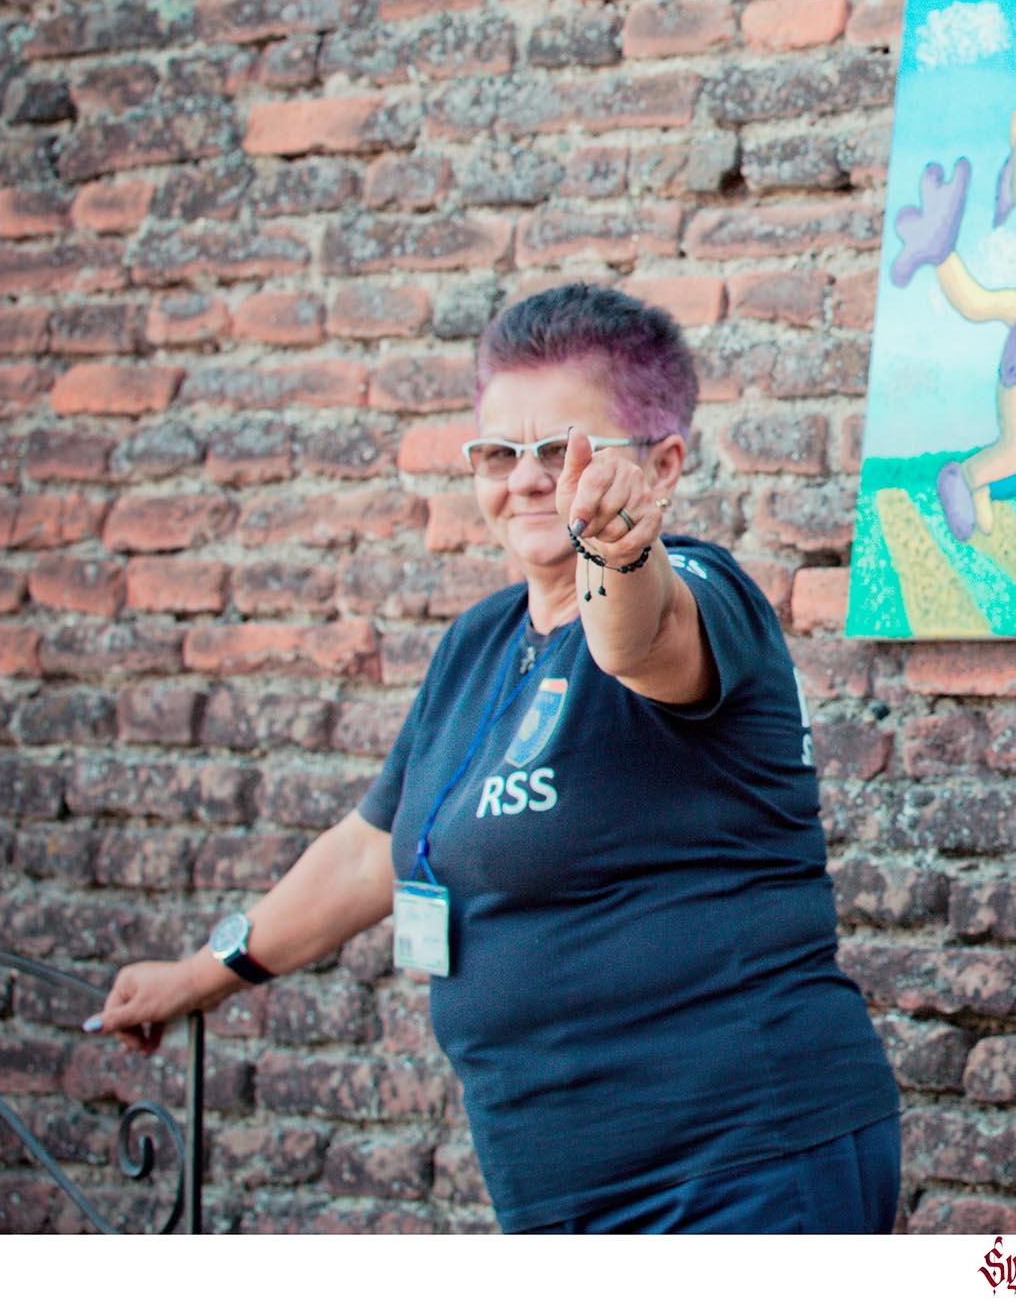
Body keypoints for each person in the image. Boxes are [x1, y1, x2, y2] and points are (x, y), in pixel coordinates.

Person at [89, 284, 901, 1234]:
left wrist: (617, 549)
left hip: (739, 1165)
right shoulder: (479, 641)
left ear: (663, 464)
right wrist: (199, 975)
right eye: (498, 453)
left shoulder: (704, 589)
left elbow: (638, 639)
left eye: (561, 451)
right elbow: (369, 851)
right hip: (557, 1187)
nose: (526, 479)